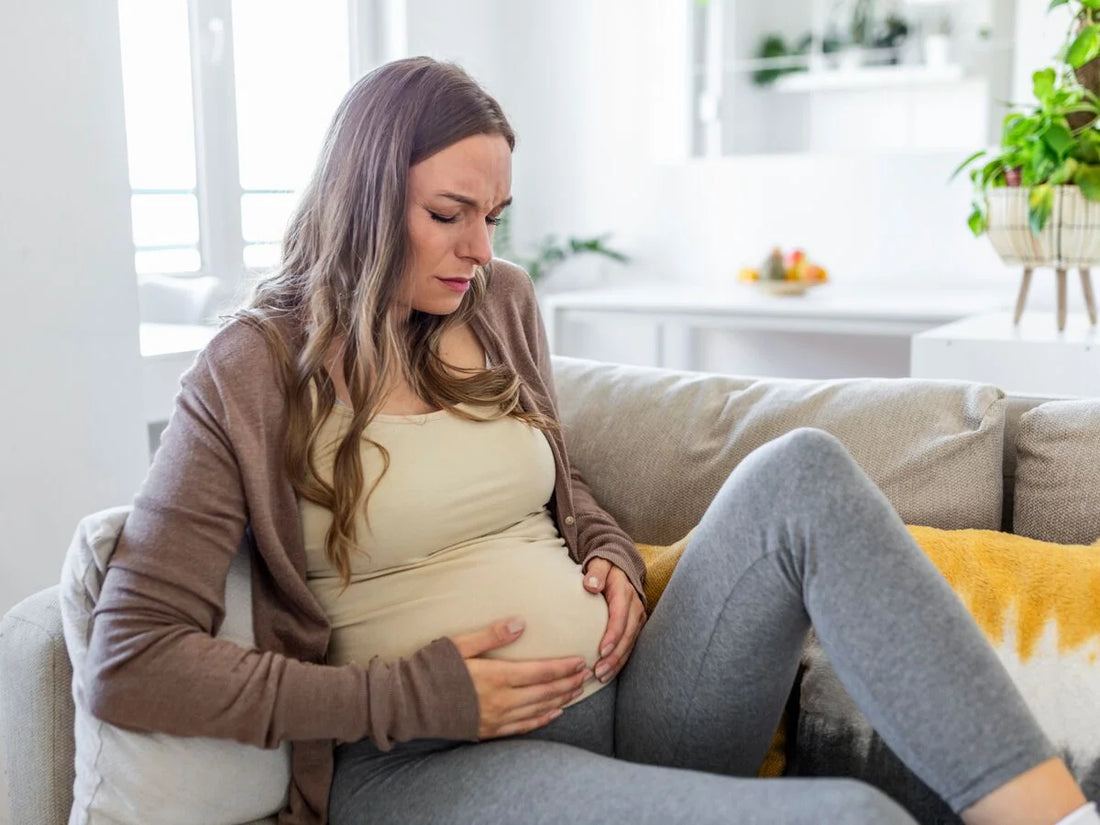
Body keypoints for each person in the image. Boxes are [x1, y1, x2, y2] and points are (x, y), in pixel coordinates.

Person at [86, 57, 1097, 825]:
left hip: (631, 699)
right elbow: (132, 660)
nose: (481, 250)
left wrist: (607, 550)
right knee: (852, 817)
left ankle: (1055, 816)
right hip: (428, 765)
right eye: (450, 214)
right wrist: (401, 694)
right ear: (361, 198)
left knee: (801, 471)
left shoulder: (500, 305)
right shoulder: (250, 372)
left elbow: (551, 485)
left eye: (495, 217)